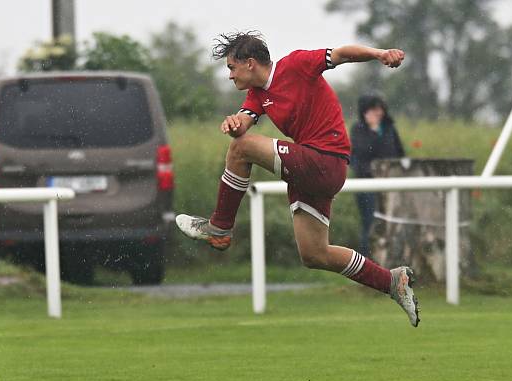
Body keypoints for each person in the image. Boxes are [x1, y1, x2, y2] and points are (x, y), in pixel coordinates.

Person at [175, 32, 420, 327]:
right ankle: (392, 281)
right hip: (311, 169)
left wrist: (380, 54)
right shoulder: (257, 95)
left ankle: (220, 227)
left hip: (325, 161)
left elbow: (341, 54)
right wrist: (233, 123)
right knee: (315, 254)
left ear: (250, 63)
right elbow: (244, 123)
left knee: (241, 149)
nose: (229, 76)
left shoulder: (296, 64)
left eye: (231, 67)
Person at [350, 95, 405, 258]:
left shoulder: (389, 129)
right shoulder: (358, 129)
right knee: (370, 224)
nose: (379, 112)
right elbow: (362, 154)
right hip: (366, 185)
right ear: (365, 111)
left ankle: (390, 261)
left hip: (389, 183)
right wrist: (373, 131)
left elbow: (395, 153)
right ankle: (368, 263)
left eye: (380, 108)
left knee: (392, 225)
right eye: (374, 109)